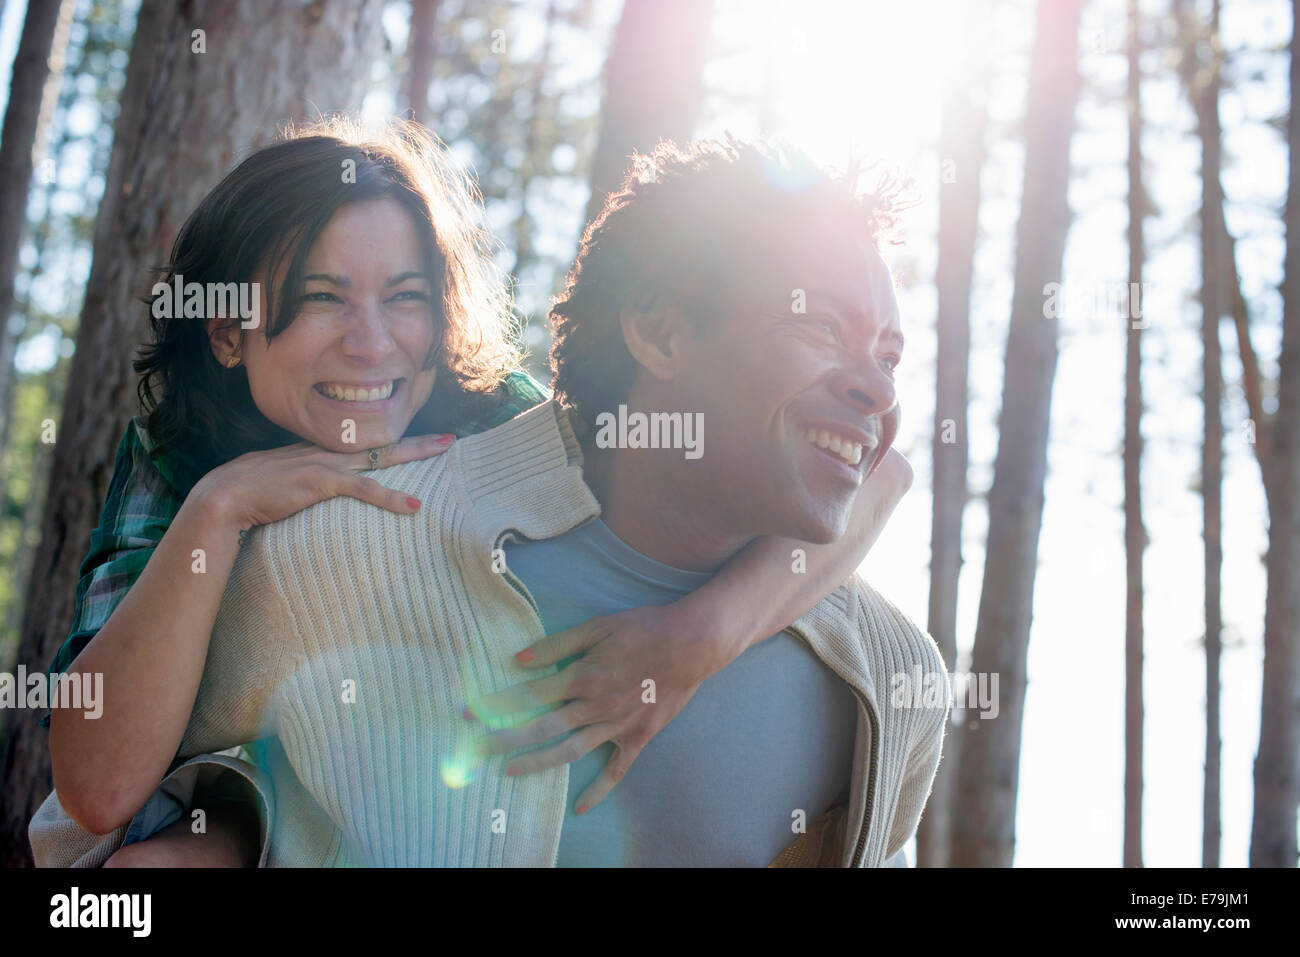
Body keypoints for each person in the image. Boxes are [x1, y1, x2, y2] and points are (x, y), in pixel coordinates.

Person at [49, 135, 950, 867]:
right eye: (322, 299)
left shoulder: (495, 427)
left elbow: (881, 477)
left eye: (407, 299)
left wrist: (702, 634)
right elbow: (99, 783)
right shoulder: (183, 464)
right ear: (228, 332)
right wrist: (219, 507)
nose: (374, 345)